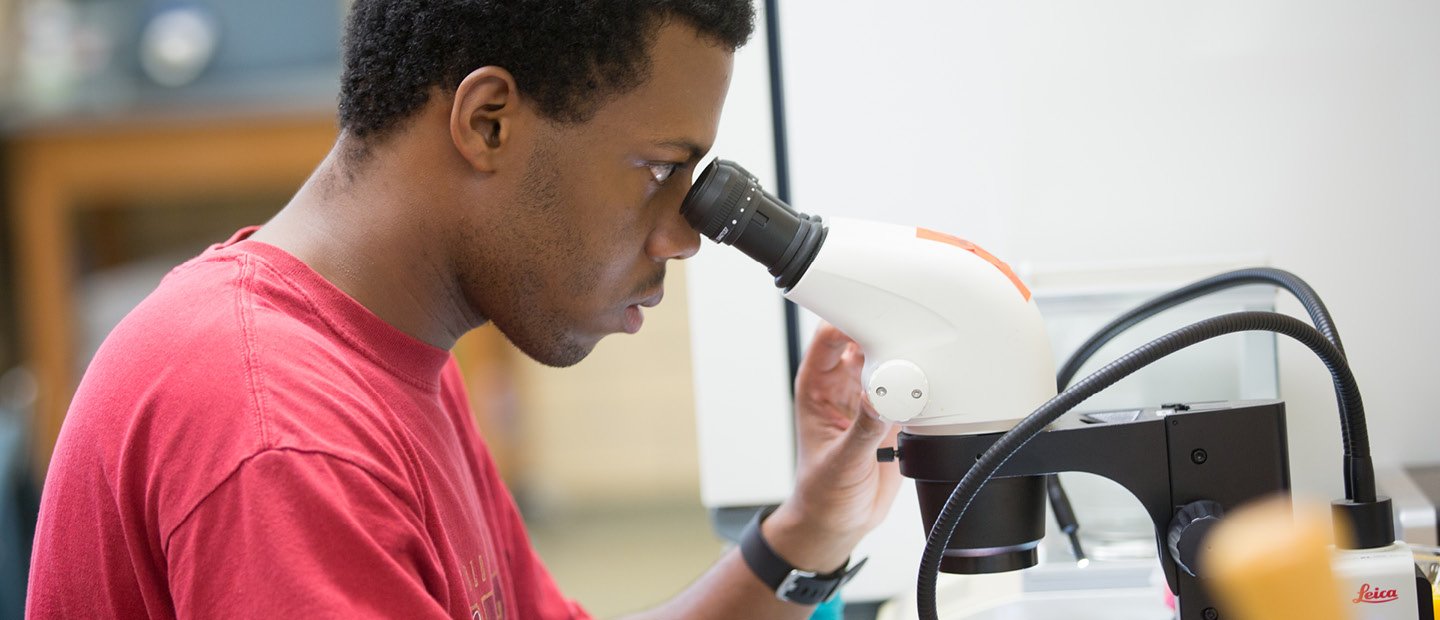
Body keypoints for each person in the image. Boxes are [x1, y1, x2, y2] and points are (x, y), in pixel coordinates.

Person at [26, 1, 901, 618]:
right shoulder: (280, 433)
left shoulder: (385, 359)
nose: (683, 237)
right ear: (488, 121)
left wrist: (815, 529)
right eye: (660, 169)